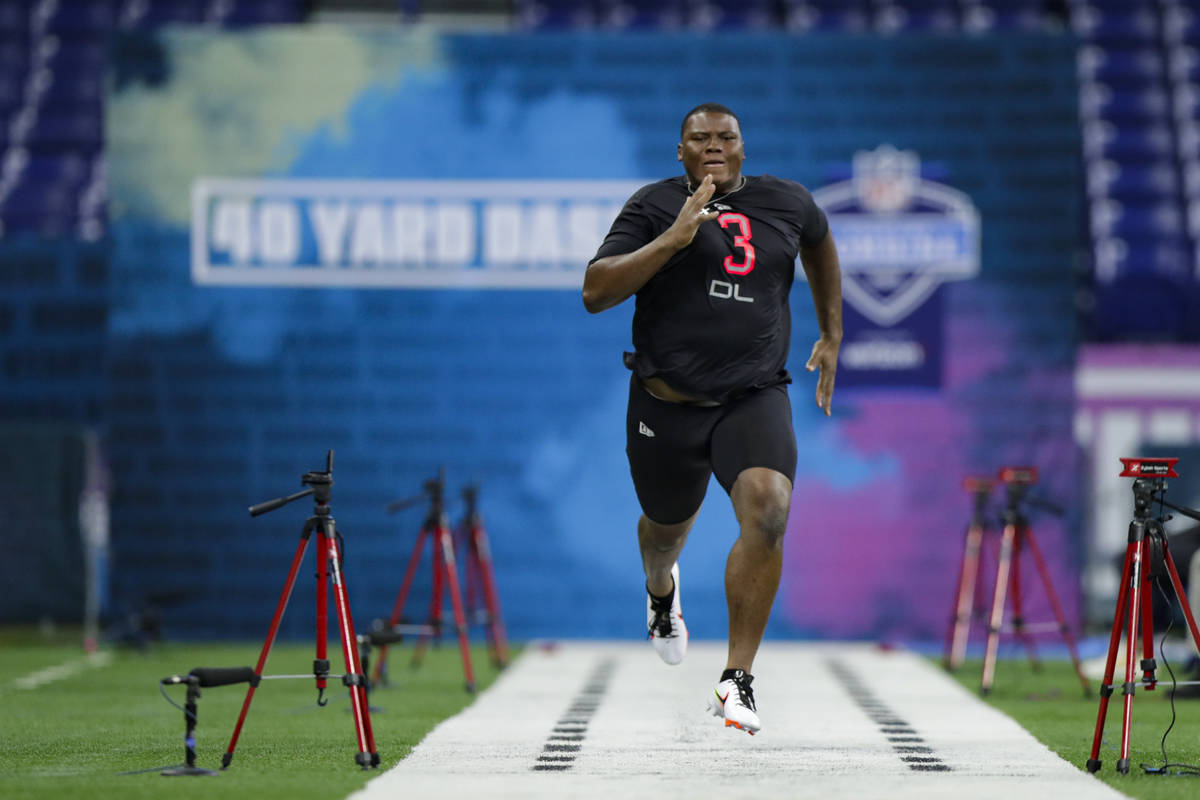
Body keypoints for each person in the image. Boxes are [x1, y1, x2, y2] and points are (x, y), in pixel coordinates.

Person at [582, 102, 842, 735]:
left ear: (743, 146)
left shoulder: (786, 201)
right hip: (667, 403)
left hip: (752, 395)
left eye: (727, 137)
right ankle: (661, 593)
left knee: (769, 509)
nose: (715, 146)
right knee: (666, 532)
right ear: (681, 152)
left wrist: (832, 332)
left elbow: (819, 243)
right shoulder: (653, 204)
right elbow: (595, 291)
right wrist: (673, 238)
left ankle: (736, 679)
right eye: (700, 139)